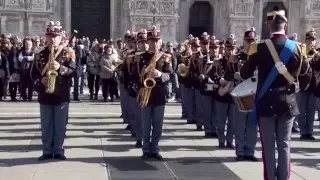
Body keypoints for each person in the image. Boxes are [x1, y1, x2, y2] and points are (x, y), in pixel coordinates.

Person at [235, 7, 310, 180]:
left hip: (265, 102)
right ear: (285, 25)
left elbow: (245, 73)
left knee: (268, 146)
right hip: (288, 102)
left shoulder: (258, 47)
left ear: (269, 25)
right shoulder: (298, 48)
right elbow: (305, 77)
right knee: (284, 144)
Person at [30, 21, 76, 161]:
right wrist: (40, 81)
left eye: (55, 36)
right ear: (46, 37)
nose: (52, 39)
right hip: (45, 94)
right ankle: (47, 151)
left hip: (61, 94)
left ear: (61, 37)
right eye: (49, 36)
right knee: (46, 126)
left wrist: (61, 68)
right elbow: (33, 73)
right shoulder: (40, 53)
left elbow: (74, 71)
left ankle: (59, 150)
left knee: (60, 126)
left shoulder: (68, 53)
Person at [137, 25, 172, 160]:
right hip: (146, 94)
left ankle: (155, 148)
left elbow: (169, 74)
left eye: (156, 41)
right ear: (148, 42)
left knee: (158, 125)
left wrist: (160, 74)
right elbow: (137, 76)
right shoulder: (140, 58)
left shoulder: (166, 57)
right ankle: (146, 150)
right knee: (146, 125)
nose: (153, 43)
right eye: (151, 41)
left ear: (160, 42)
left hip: (159, 95)